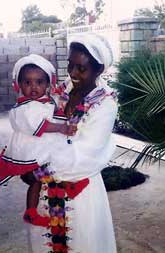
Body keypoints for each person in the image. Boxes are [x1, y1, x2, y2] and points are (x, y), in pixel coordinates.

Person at [24, 34, 118, 253]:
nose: (73, 73)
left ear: (99, 70)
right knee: (45, 243)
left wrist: (36, 173)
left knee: (83, 243)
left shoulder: (105, 105)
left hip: (80, 192)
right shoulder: (60, 92)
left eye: (81, 68)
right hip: (47, 190)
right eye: (70, 65)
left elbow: (83, 155)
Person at [0, 54, 88, 227]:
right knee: (43, 174)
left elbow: (54, 109)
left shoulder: (44, 101)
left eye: (39, 82)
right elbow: (38, 124)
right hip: (29, 151)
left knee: (42, 177)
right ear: (18, 84)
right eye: (27, 82)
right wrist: (61, 127)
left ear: (47, 84)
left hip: (39, 147)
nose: (33, 87)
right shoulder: (24, 107)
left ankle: (33, 211)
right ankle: (36, 207)